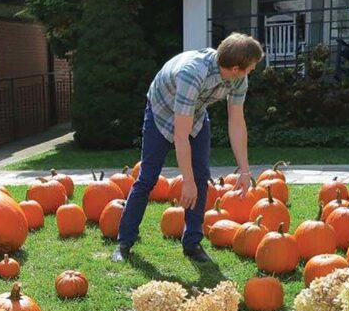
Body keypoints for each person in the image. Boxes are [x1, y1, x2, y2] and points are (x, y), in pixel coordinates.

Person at [112, 33, 263, 263]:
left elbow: (237, 122)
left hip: (195, 115)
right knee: (148, 177)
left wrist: (244, 170)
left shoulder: (238, 78)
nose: (251, 72)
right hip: (161, 112)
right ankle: (124, 242)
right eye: (250, 68)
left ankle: (192, 243)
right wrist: (187, 182)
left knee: (202, 177)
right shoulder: (193, 73)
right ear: (235, 68)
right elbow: (180, 137)